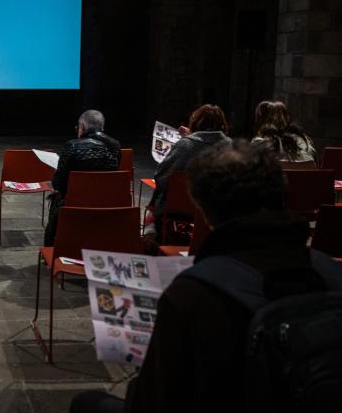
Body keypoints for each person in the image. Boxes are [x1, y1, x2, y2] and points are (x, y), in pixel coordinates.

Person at [70, 140, 316, 413]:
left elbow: (153, 402)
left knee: (86, 403)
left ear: (205, 211)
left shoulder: (192, 294)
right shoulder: (328, 270)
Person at [147, 104, 230, 233]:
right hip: (217, 213)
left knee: (151, 211)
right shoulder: (231, 147)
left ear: (195, 122)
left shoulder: (185, 145)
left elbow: (161, 178)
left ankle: (150, 236)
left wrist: (189, 138)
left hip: (179, 212)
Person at [44, 109, 121, 246]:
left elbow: (58, 182)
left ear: (83, 127)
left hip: (74, 201)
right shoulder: (115, 146)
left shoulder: (72, 145)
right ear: (102, 128)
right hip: (105, 200)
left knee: (56, 196)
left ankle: (51, 246)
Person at [251, 100, 315, 163]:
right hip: (307, 173)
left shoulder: (259, 143)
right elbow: (314, 163)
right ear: (287, 118)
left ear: (261, 121)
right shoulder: (304, 141)